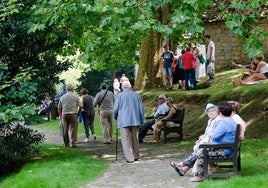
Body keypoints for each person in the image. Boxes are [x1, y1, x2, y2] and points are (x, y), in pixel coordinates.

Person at [189, 101, 237, 182]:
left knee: (200, 152)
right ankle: (208, 169)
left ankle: (200, 176)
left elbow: (214, 136)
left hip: (225, 151)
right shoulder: (231, 120)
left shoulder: (224, 122)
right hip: (229, 148)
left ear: (221, 113)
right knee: (202, 149)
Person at [170, 103, 221, 176]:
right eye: (209, 111)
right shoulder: (210, 120)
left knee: (199, 150)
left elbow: (215, 133)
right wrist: (202, 137)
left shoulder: (217, 120)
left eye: (213, 110)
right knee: (199, 149)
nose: (210, 113)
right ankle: (184, 169)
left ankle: (182, 164)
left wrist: (205, 137)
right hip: (210, 143)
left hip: (215, 144)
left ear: (217, 111)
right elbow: (208, 133)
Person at [113, 81, 145, 163]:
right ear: (130, 87)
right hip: (135, 119)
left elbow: (115, 109)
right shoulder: (136, 95)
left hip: (123, 120)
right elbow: (141, 109)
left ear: (122, 87)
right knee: (135, 138)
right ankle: (136, 155)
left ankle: (130, 158)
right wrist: (142, 119)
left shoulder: (119, 96)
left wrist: (116, 117)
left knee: (126, 139)